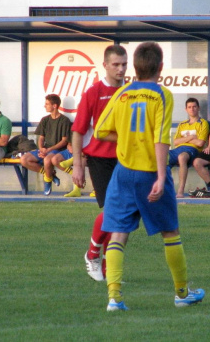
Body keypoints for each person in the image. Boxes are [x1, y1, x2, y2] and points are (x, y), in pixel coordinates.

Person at [94, 41, 205, 311]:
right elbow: (159, 139)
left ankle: (114, 299)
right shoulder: (162, 95)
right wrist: (158, 176)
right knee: (170, 232)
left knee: (118, 234)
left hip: (123, 173)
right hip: (149, 171)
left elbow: (98, 131)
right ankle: (181, 294)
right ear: (161, 67)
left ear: (134, 67)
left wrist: (127, 139)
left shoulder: (122, 94)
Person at [72, 44, 128, 281]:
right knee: (114, 211)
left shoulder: (131, 92)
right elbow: (78, 131)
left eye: (124, 64)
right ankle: (93, 254)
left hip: (127, 159)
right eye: (116, 64)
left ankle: (107, 267)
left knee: (124, 216)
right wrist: (77, 164)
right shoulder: (93, 92)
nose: (121, 69)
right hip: (100, 159)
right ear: (104, 65)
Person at [20, 94, 72, 195]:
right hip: (45, 150)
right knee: (24, 160)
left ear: (55, 106)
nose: (45, 106)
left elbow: (64, 141)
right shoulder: (45, 119)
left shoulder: (64, 120)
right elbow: (41, 137)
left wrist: (48, 150)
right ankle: (50, 174)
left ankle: (47, 181)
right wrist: (41, 149)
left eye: (47, 104)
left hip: (57, 150)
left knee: (47, 159)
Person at [168, 98, 209, 198]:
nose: (192, 109)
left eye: (194, 107)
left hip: (192, 150)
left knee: (182, 157)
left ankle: (180, 190)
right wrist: (190, 137)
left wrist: (184, 139)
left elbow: (200, 143)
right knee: (163, 158)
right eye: (189, 107)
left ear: (198, 108)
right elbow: (175, 141)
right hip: (178, 149)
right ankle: (165, 190)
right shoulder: (182, 124)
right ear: (186, 109)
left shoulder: (203, 123)